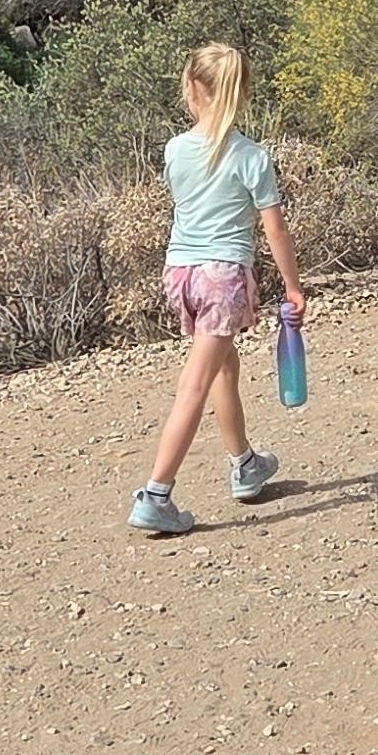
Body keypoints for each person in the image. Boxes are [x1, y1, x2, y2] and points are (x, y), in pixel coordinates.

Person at [131, 43, 310, 535]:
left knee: (221, 368)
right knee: (195, 382)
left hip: (181, 276)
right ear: (242, 93)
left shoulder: (174, 150)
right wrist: (292, 286)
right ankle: (157, 493)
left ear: (192, 89)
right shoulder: (251, 156)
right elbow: (275, 230)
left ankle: (245, 464)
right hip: (222, 277)